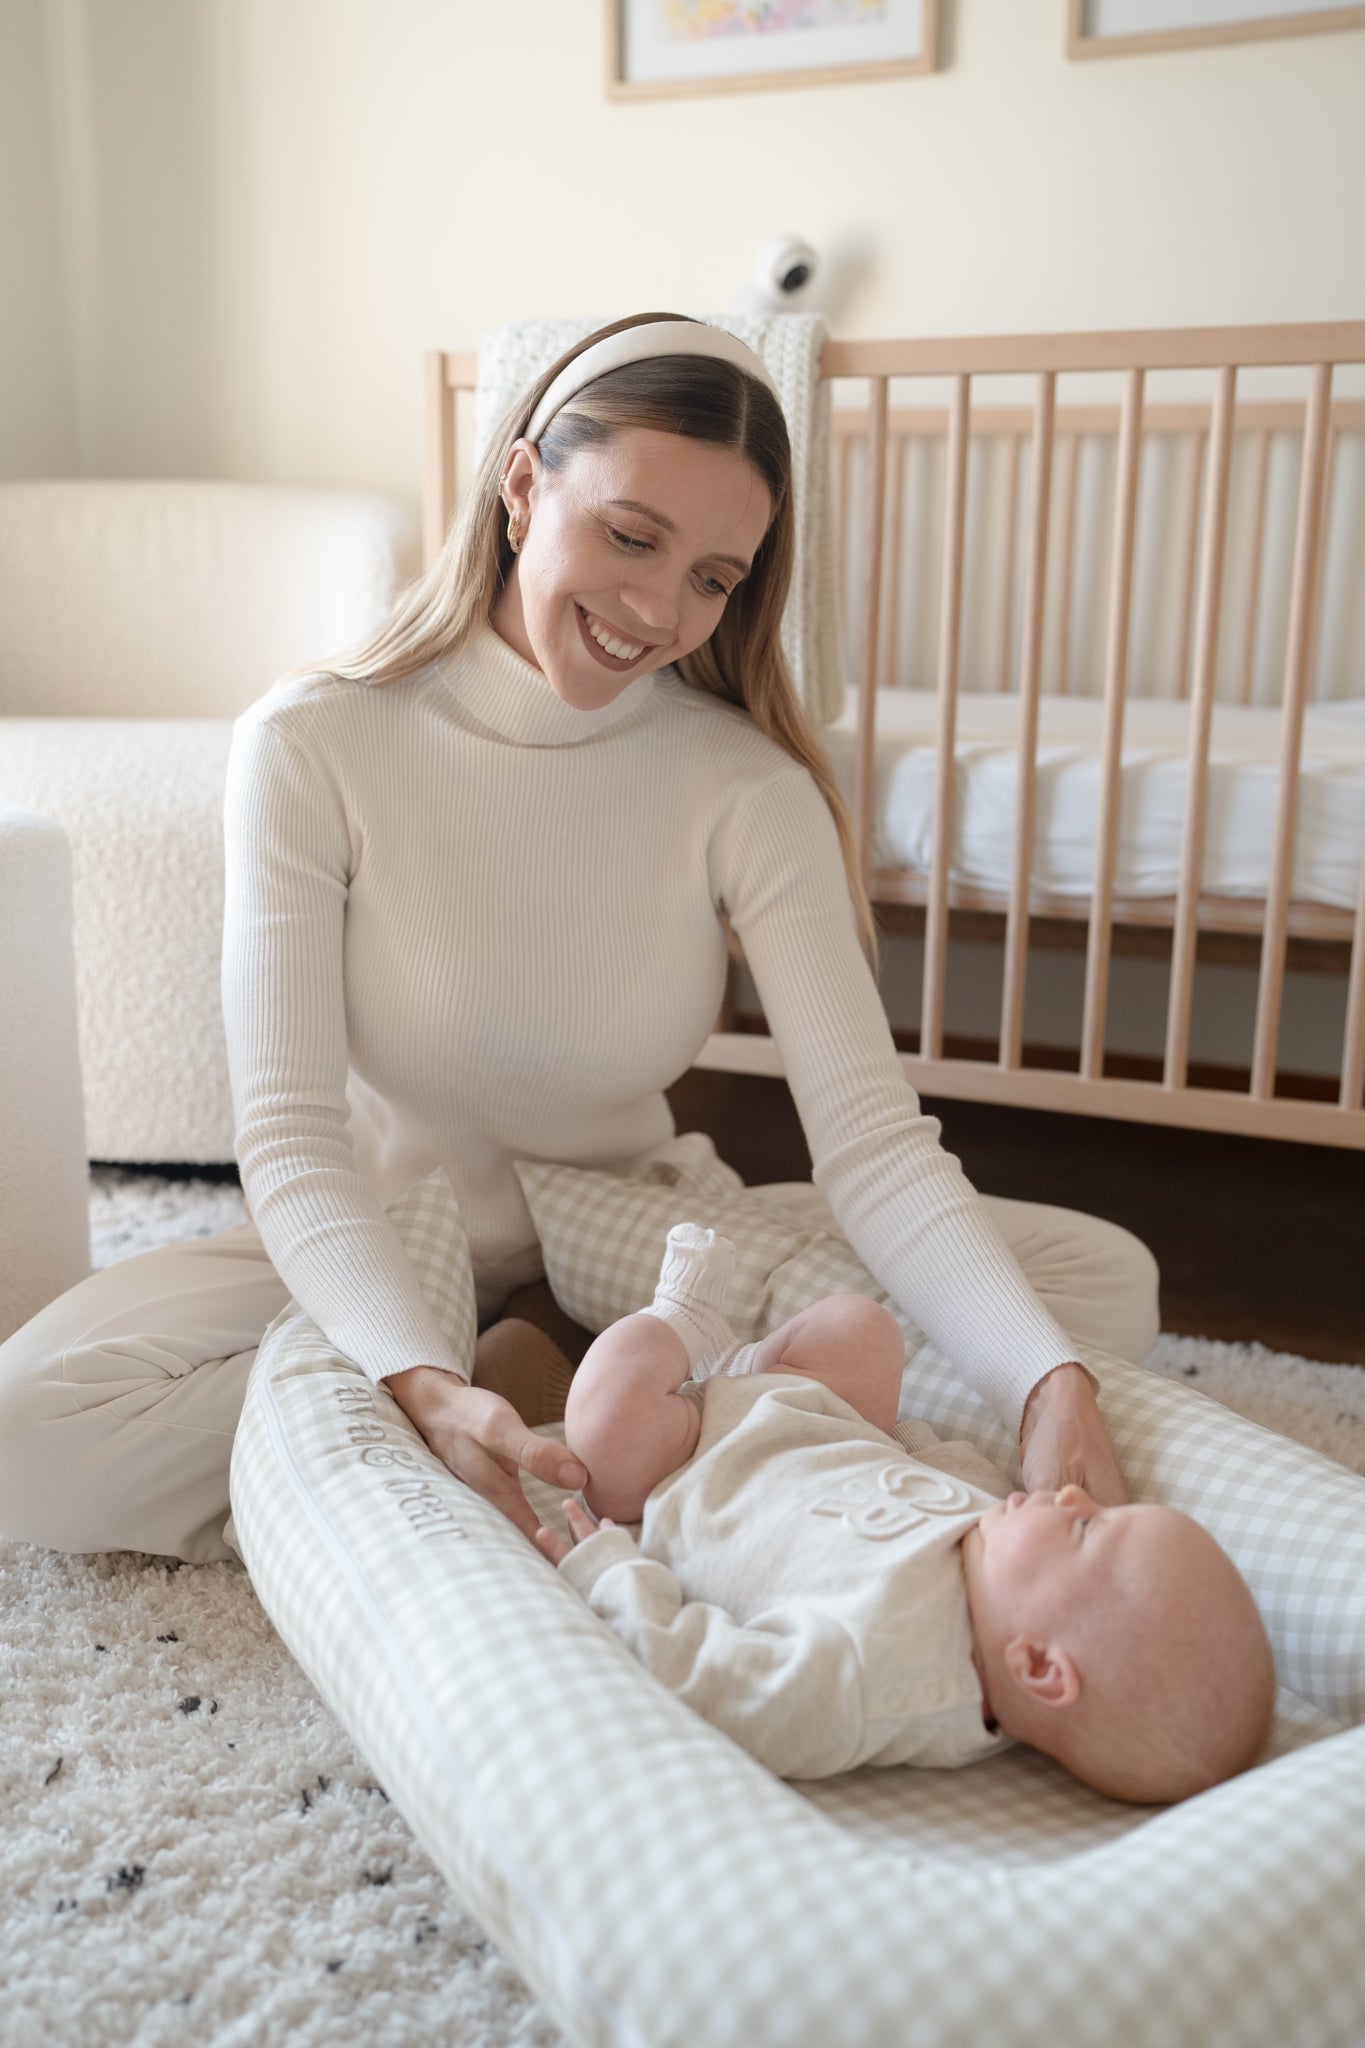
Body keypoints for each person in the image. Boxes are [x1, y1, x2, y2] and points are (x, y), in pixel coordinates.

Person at [0, 311, 1152, 1566]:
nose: (658, 608)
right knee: (29, 1430)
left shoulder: (746, 788)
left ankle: (535, 1424)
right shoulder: (310, 741)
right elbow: (287, 1135)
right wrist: (415, 1374)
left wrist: (1048, 1386)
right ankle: (587, 1428)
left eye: (713, 576)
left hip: (646, 1256)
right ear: (520, 482)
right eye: (630, 534)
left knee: (1092, 1290)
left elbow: (872, 1145)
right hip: (382, 1232)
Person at [535, 1226, 1276, 1804]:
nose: (1079, 1497)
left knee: (602, 1421)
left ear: (1038, 1665)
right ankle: (725, 1371)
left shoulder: (873, 1680)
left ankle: (680, 1320)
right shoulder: (1000, 1554)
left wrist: (614, 1572)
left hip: (680, 1467)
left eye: (1086, 1530)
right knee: (860, 1329)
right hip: (803, 1414)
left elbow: (708, 1678)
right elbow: (926, 1464)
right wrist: (883, 1440)